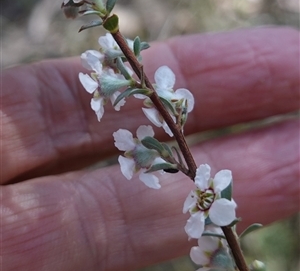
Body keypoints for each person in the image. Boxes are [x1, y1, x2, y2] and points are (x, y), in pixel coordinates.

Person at [1, 27, 299, 271]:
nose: (205, 197)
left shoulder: (208, 191)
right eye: (204, 197)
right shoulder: (200, 187)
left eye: (205, 197)